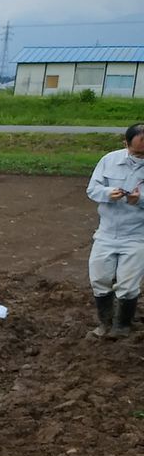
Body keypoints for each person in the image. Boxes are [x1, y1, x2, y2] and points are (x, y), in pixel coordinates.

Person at [86, 122, 144, 338]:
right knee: (99, 278)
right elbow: (92, 189)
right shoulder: (109, 160)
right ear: (126, 144)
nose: (140, 157)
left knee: (128, 284)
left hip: (137, 235)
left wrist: (140, 200)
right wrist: (109, 193)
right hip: (107, 232)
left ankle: (122, 326)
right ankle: (104, 323)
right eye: (136, 152)